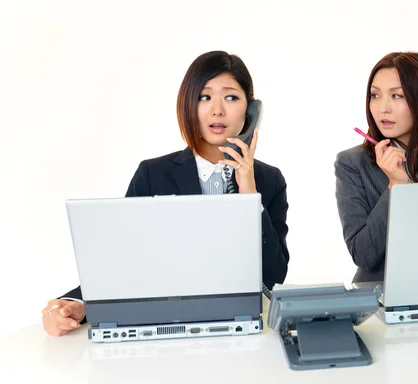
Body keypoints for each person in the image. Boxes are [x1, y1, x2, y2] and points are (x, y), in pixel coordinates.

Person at [42, 51, 290, 336]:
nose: (218, 110)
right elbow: (121, 259)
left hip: (241, 328)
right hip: (165, 326)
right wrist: (76, 302)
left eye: (231, 97)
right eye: (204, 97)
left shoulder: (269, 180)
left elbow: (273, 279)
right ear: (187, 104)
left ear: (251, 110)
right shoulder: (153, 174)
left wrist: (249, 194)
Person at [335, 52, 418, 283]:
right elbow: (364, 255)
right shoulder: (352, 163)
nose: (382, 108)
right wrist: (395, 187)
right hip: (379, 295)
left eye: (397, 96)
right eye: (375, 95)